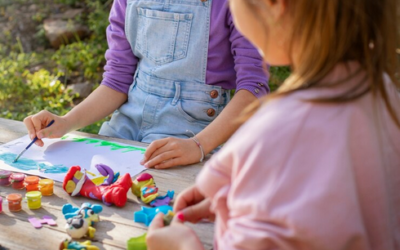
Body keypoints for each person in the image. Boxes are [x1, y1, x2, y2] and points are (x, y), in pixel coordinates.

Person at [145, 0, 400, 249]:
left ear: (275, 5)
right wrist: (242, 201)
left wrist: (184, 246)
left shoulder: (277, 131)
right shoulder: (386, 95)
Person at [23, 0, 269, 169]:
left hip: (192, 136)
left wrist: (199, 146)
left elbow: (254, 89)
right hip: (126, 128)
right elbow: (116, 82)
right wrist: (66, 122)